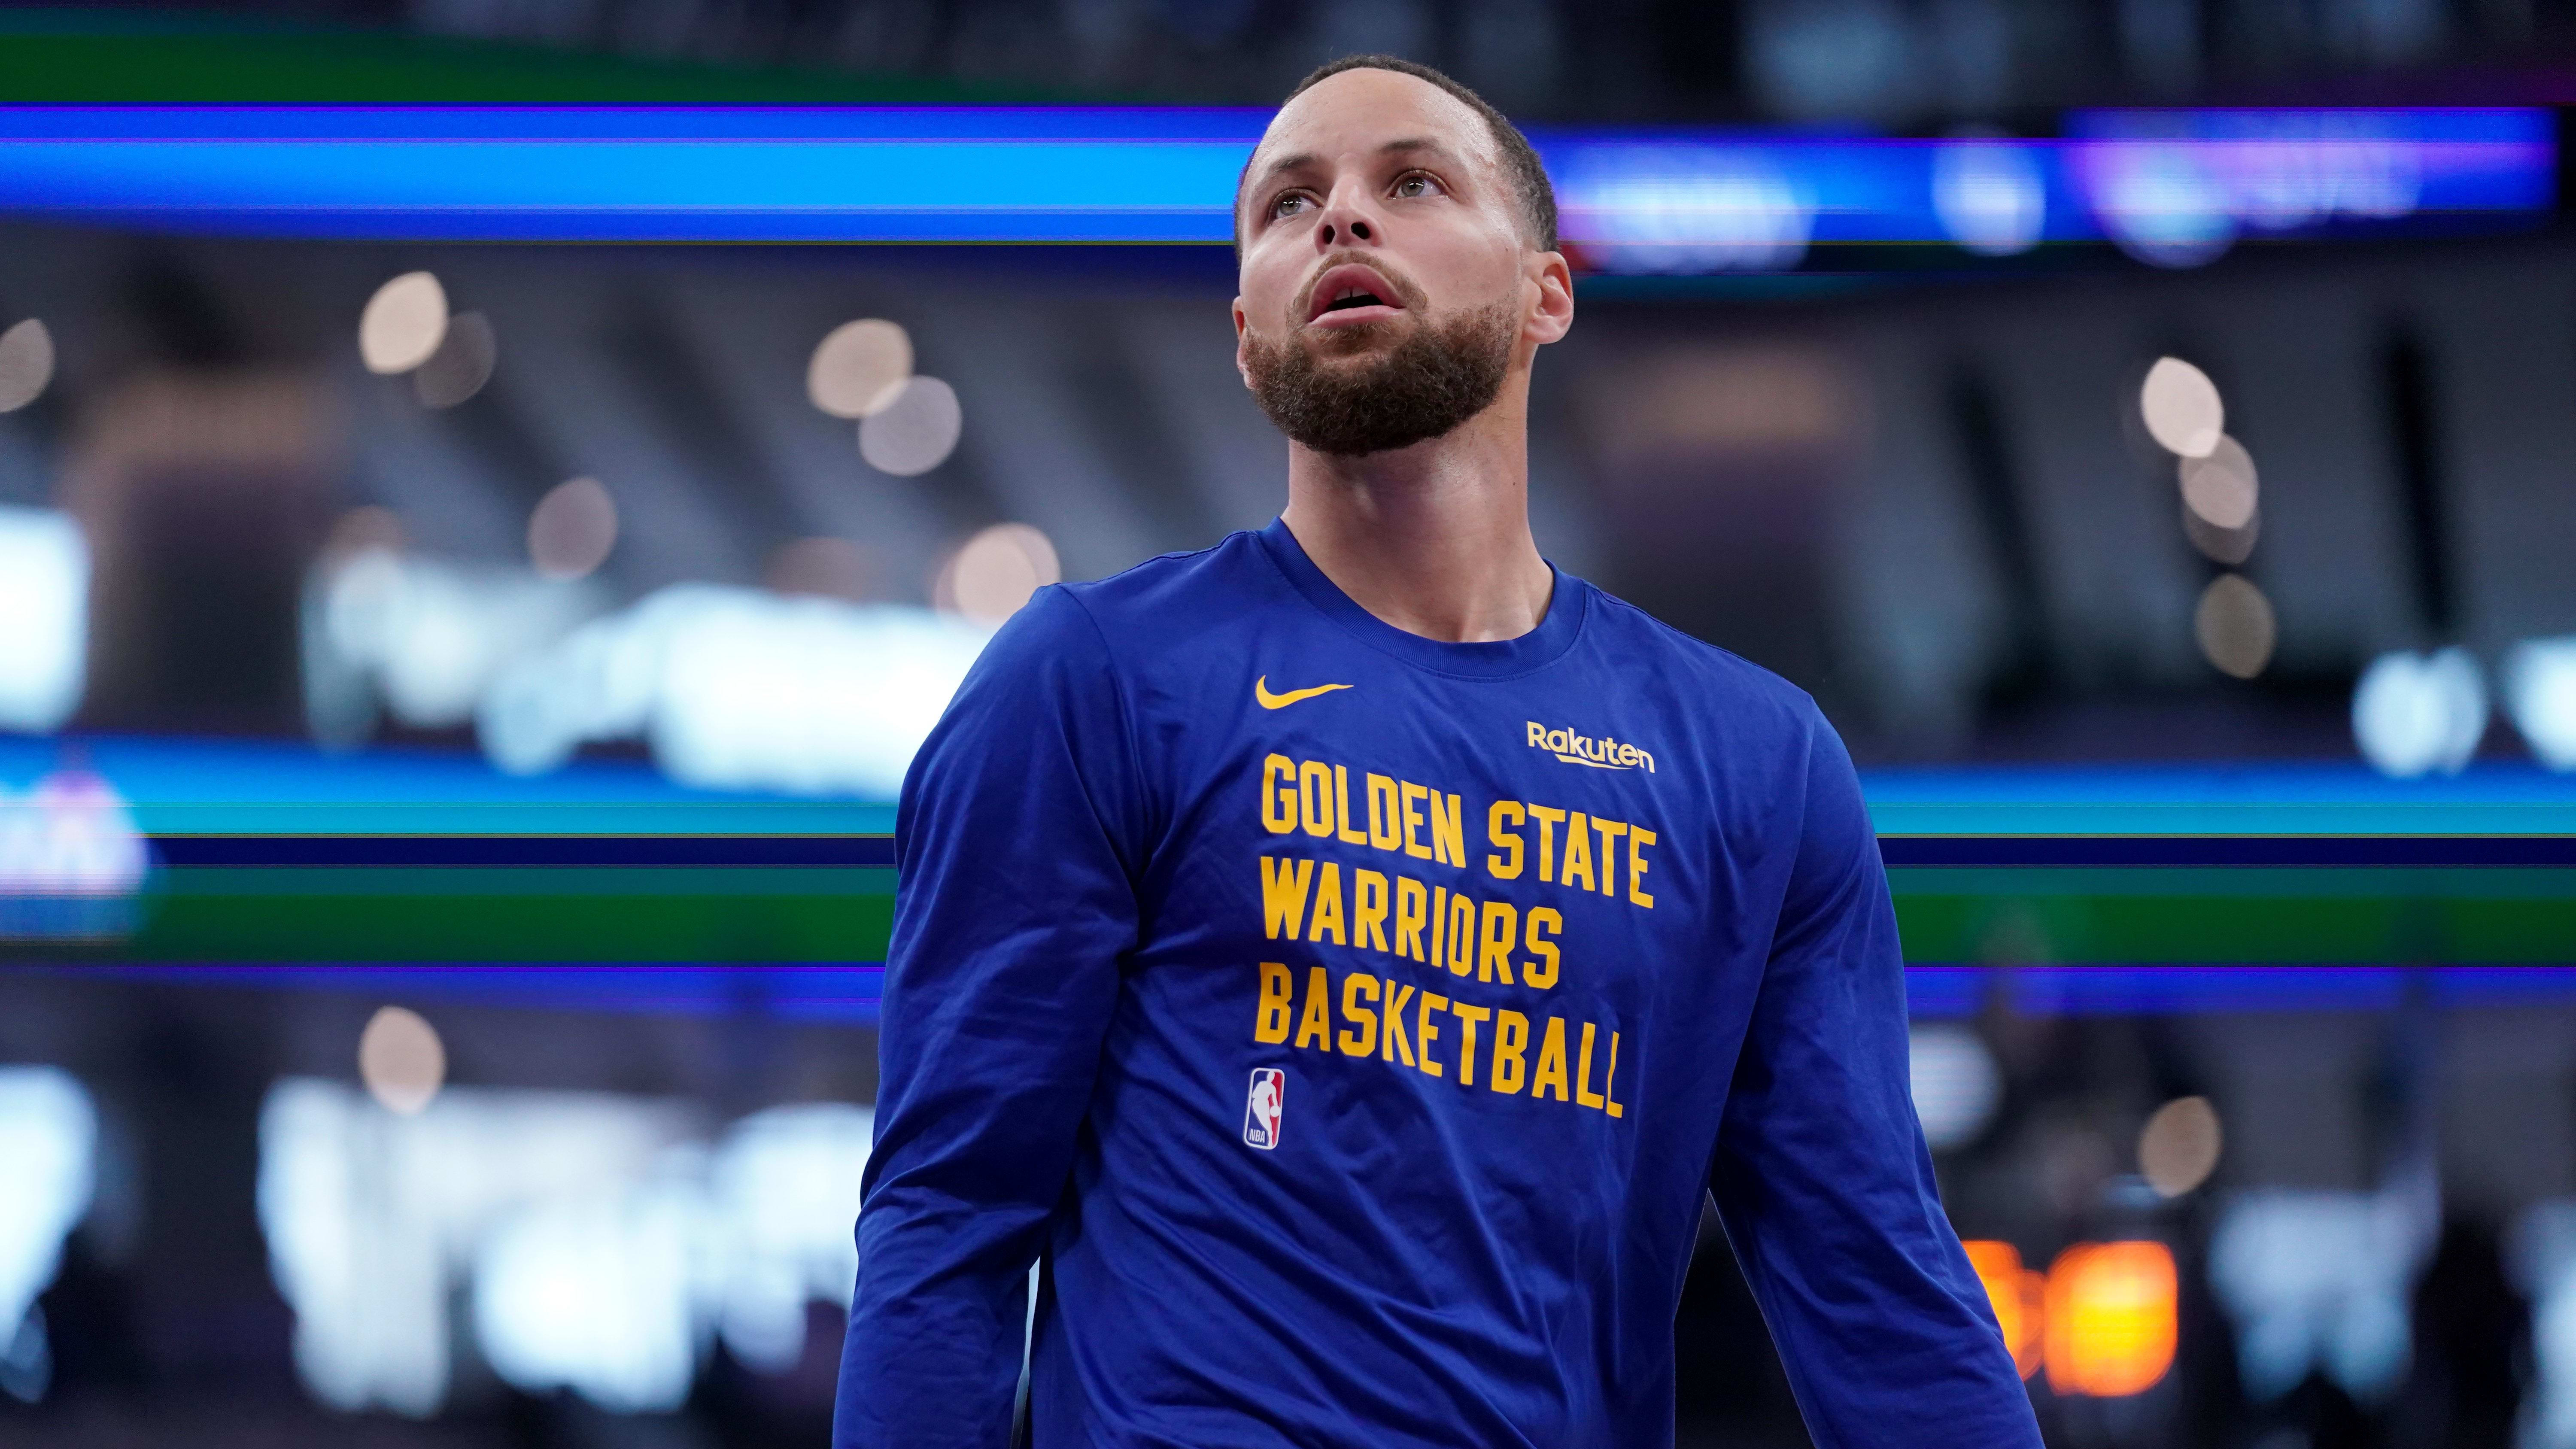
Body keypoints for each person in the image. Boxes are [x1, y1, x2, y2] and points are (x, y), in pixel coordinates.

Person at [836, 54, 2043, 1449]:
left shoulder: (1756, 763)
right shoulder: (1090, 682)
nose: (1341, 220)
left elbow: (1876, 1279)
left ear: (1548, 292)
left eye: (1411, 182)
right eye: (1290, 206)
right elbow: (946, 1221)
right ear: (1247, 333)